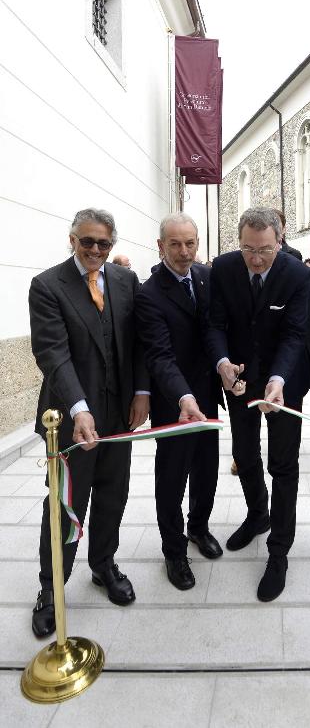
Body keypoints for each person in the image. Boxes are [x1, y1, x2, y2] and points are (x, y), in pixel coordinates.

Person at [29, 208, 150, 637]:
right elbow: (53, 354)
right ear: (72, 240)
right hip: (69, 421)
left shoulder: (124, 281)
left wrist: (142, 393)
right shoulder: (47, 285)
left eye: (104, 243)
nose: (96, 250)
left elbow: (137, 343)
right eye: (88, 242)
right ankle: (51, 588)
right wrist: (80, 409)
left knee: (114, 497)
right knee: (65, 507)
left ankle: (104, 566)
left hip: (119, 418)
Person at [210, 207, 310, 602]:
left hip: (284, 381)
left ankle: (279, 551)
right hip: (237, 379)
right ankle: (258, 514)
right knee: (244, 452)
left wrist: (278, 379)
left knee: (283, 465)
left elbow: (295, 334)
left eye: (265, 250)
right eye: (248, 249)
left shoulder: (298, 275)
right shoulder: (222, 269)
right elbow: (216, 323)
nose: (256, 259)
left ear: (281, 239)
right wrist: (221, 364)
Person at [134, 213, 223, 590]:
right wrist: (183, 396)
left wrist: (227, 368)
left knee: (207, 469)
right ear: (160, 246)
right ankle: (173, 551)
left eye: (190, 243)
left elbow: (214, 331)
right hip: (175, 402)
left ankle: (198, 528)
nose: (184, 252)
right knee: (172, 478)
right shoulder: (149, 294)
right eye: (175, 244)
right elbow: (159, 356)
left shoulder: (205, 278)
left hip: (207, 397)